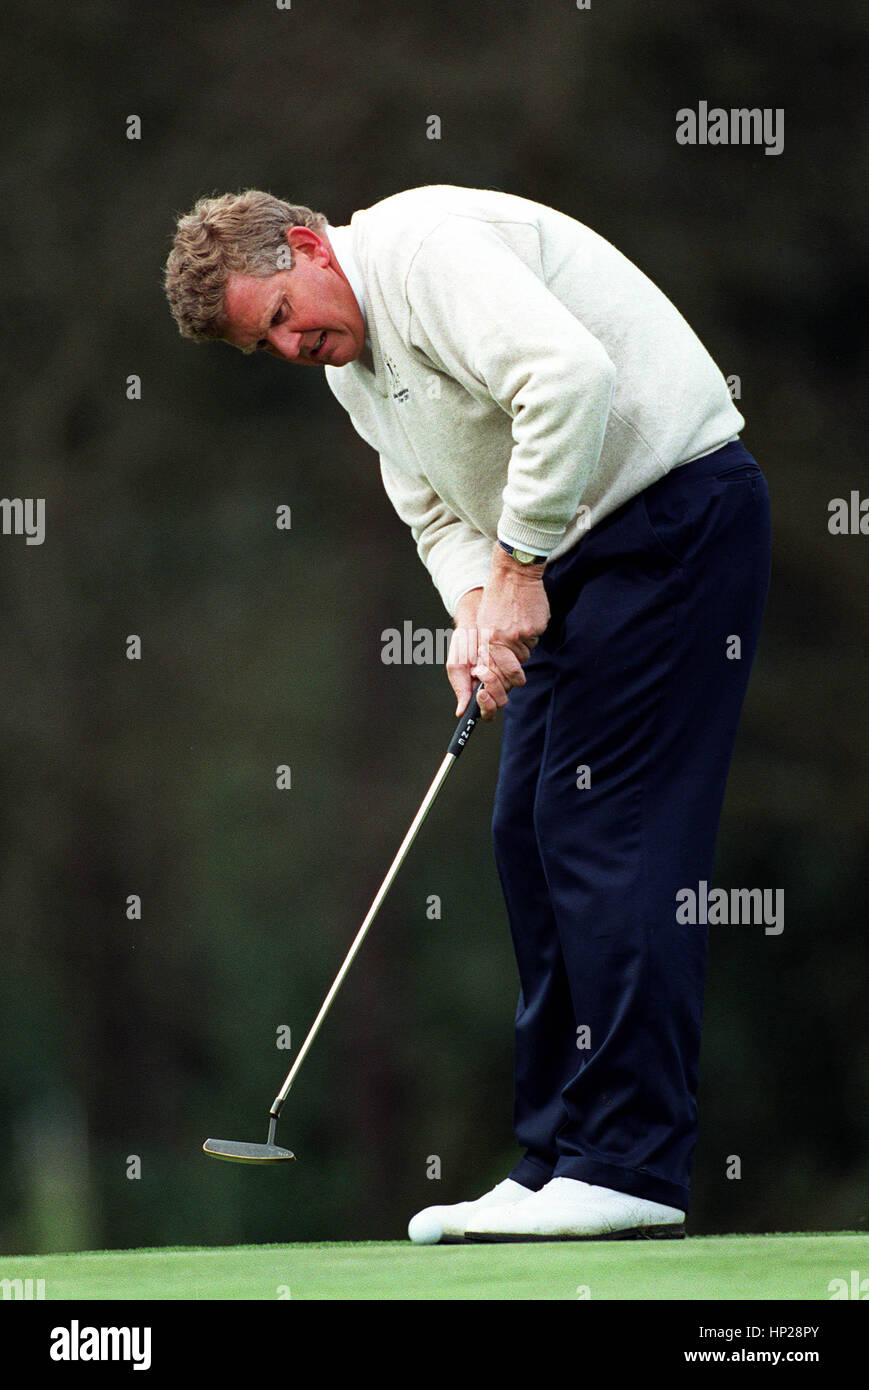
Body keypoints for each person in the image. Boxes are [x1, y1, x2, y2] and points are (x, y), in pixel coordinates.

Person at [165, 185, 770, 1241]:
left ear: (308, 246)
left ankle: (628, 1162)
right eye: (266, 344)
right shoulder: (350, 365)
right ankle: (557, 1159)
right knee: (522, 834)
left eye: (279, 314)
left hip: (672, 520)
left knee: (602, 828)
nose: (292, 344)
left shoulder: (424, 251)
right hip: (577, 553)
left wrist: (520, 565)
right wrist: (475, 604)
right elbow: (432, 502)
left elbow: (566, 379)